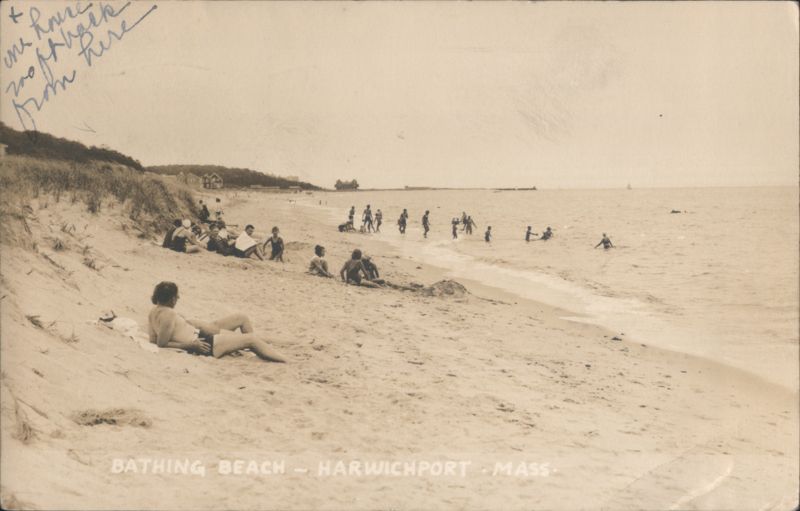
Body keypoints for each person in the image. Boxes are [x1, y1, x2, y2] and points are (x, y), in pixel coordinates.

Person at [147, 281, 285, 361]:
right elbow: (161, 344)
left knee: (247, 339)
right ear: (171, 298)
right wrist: (190, 346)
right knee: (251, 339)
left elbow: (153, 340)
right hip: (206, 345)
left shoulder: (153, 312)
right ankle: (285, 360)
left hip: (203, 339)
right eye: (176, 296)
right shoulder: (168, 314)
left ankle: (272, 351)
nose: (178, 299)